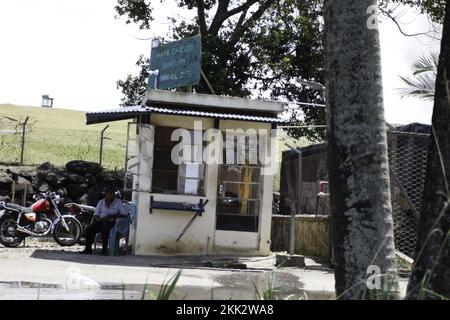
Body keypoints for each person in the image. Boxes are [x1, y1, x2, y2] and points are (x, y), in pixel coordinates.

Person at [80, 186, 128, 255]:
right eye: (110, 194)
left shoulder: (118, 202)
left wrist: (113, 216)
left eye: (113, 194)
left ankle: (104, 250)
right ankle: (88, 249)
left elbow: (124, 214)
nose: (112, 196)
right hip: (101, 221)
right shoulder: (101, 202)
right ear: (106, 194)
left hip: (112, 222)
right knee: (88, 229)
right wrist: (98, 219)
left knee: (104, 228)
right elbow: (96, 214)